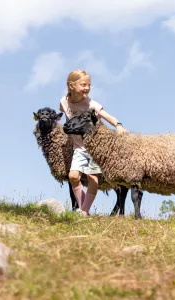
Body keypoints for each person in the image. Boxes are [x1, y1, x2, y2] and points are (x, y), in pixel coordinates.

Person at [59, 69, 127, 216]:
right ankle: (85, 209)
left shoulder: (91, 104)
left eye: (89, 85)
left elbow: (106, 115)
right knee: (73, 176)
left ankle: (83, 211)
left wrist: (118, 125)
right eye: (83, 85)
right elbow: (65, 114)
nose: (87, 88)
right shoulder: (63, 102)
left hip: (92, 148)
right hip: (78, 148)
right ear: (71, 86)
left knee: (92, 177)